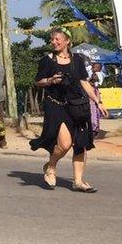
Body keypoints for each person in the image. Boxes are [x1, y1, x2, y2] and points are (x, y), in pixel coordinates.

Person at [31, 28, 108, 192]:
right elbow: (38, 81)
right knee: (65, 144)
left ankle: (78, 181)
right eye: (52, 39)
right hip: (57, 106)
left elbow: (84, 82)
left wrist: (98, 102)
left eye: (57, 39)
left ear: (67, 41)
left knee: (80, 144)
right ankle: (51, 166)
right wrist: (51, 80)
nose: (54, 42)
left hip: (77, 105)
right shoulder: (47, 60)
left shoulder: (77, 60)